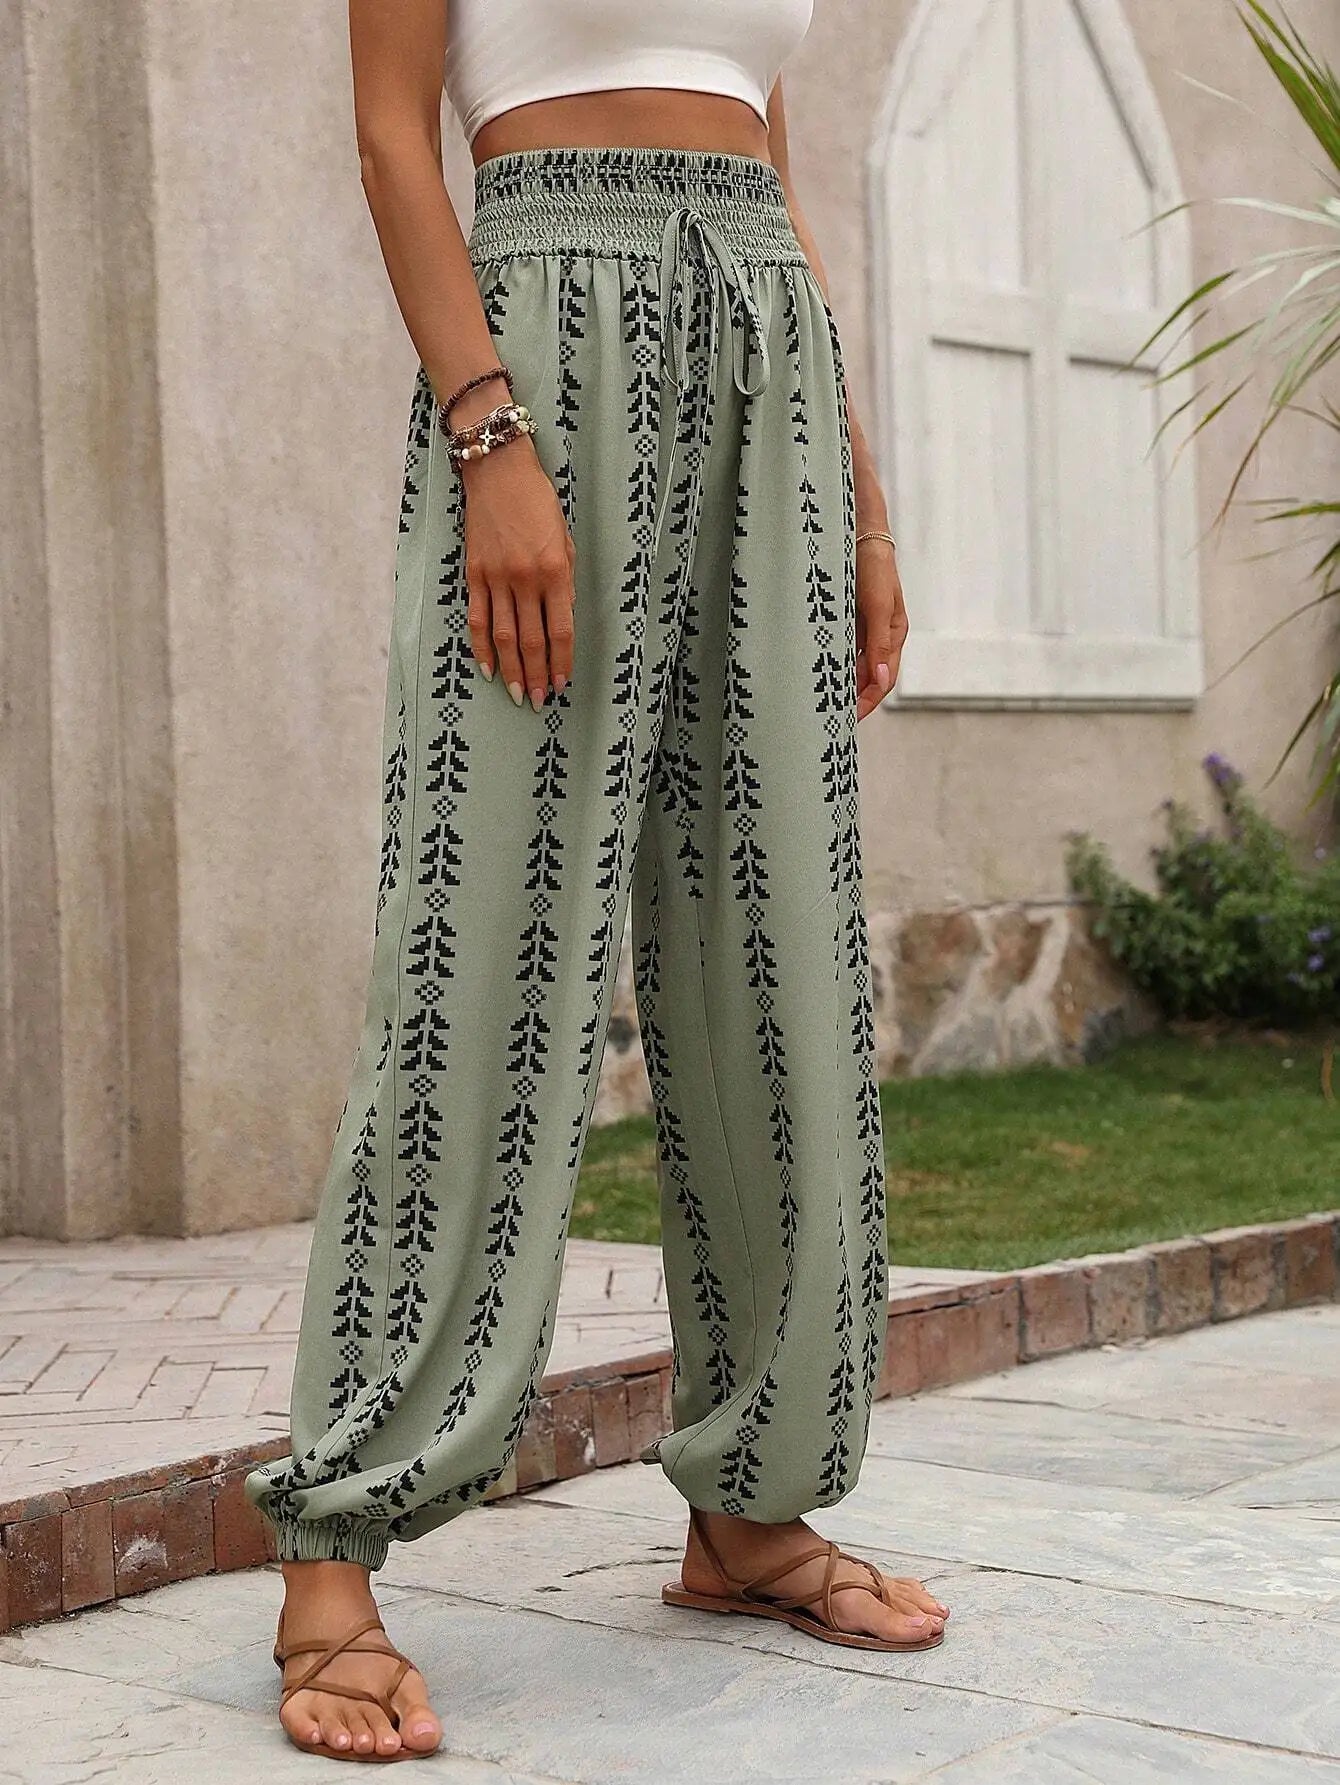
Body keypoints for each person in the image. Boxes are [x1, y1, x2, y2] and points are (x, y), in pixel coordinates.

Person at [244, 0, 943, 1761]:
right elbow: (394, 134)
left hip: (768, 344)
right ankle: (335, 1542)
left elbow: (771, 160)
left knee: (780, 949)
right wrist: (490, 436)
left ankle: (754, 1506)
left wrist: (861, 499)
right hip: (544, 342)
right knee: (477, 939)